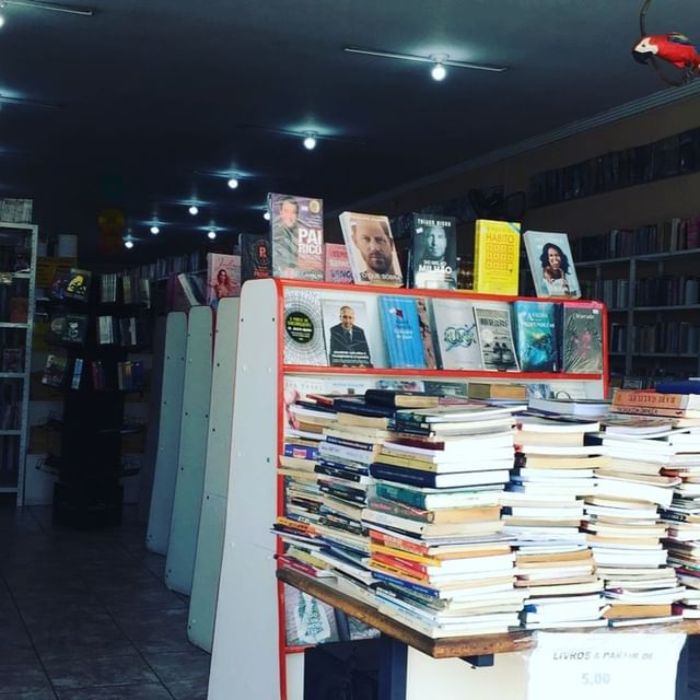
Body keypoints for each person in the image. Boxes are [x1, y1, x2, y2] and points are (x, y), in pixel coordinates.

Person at [272, 196, 300, 269]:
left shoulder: (301, 235)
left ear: (297, 215)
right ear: (281, 213)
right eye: (286, 211)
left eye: (293, 212)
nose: (289, 216)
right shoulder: (275, 235)